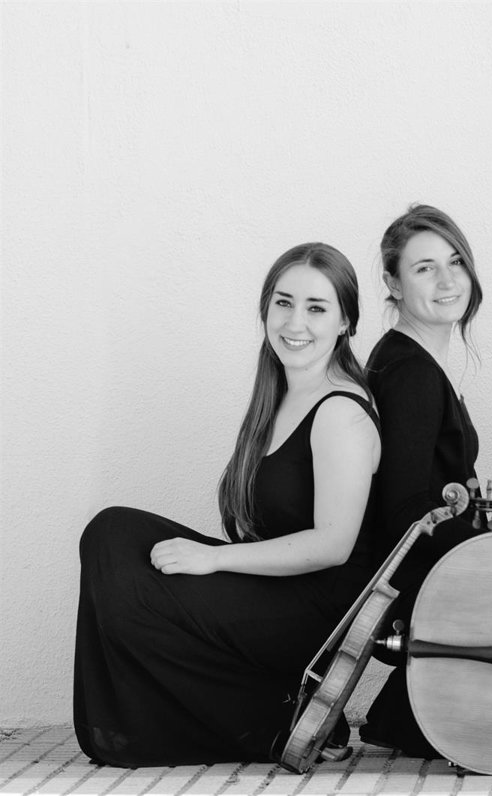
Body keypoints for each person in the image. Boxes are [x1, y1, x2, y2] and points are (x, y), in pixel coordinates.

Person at [74, 243, 381, 767]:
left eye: (316, 307)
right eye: (283, 303)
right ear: (265, 309)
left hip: (314, 614)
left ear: (345, 321)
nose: (295, 322)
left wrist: (212, 559)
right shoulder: (281, 394)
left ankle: (270, 723)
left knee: (131, 584)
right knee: (112, 534)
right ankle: (254, 707)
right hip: (276, 591)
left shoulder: (340, 412)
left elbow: (333, 545)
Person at [358, 204, 486, 755]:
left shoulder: (409, 359)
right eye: (424, 268)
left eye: (455, 262)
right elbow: (405, 514)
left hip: (438, 571)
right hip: (422, 584)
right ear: (393, 284)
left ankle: (401, 714)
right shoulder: (411, 372)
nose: (447, 280)